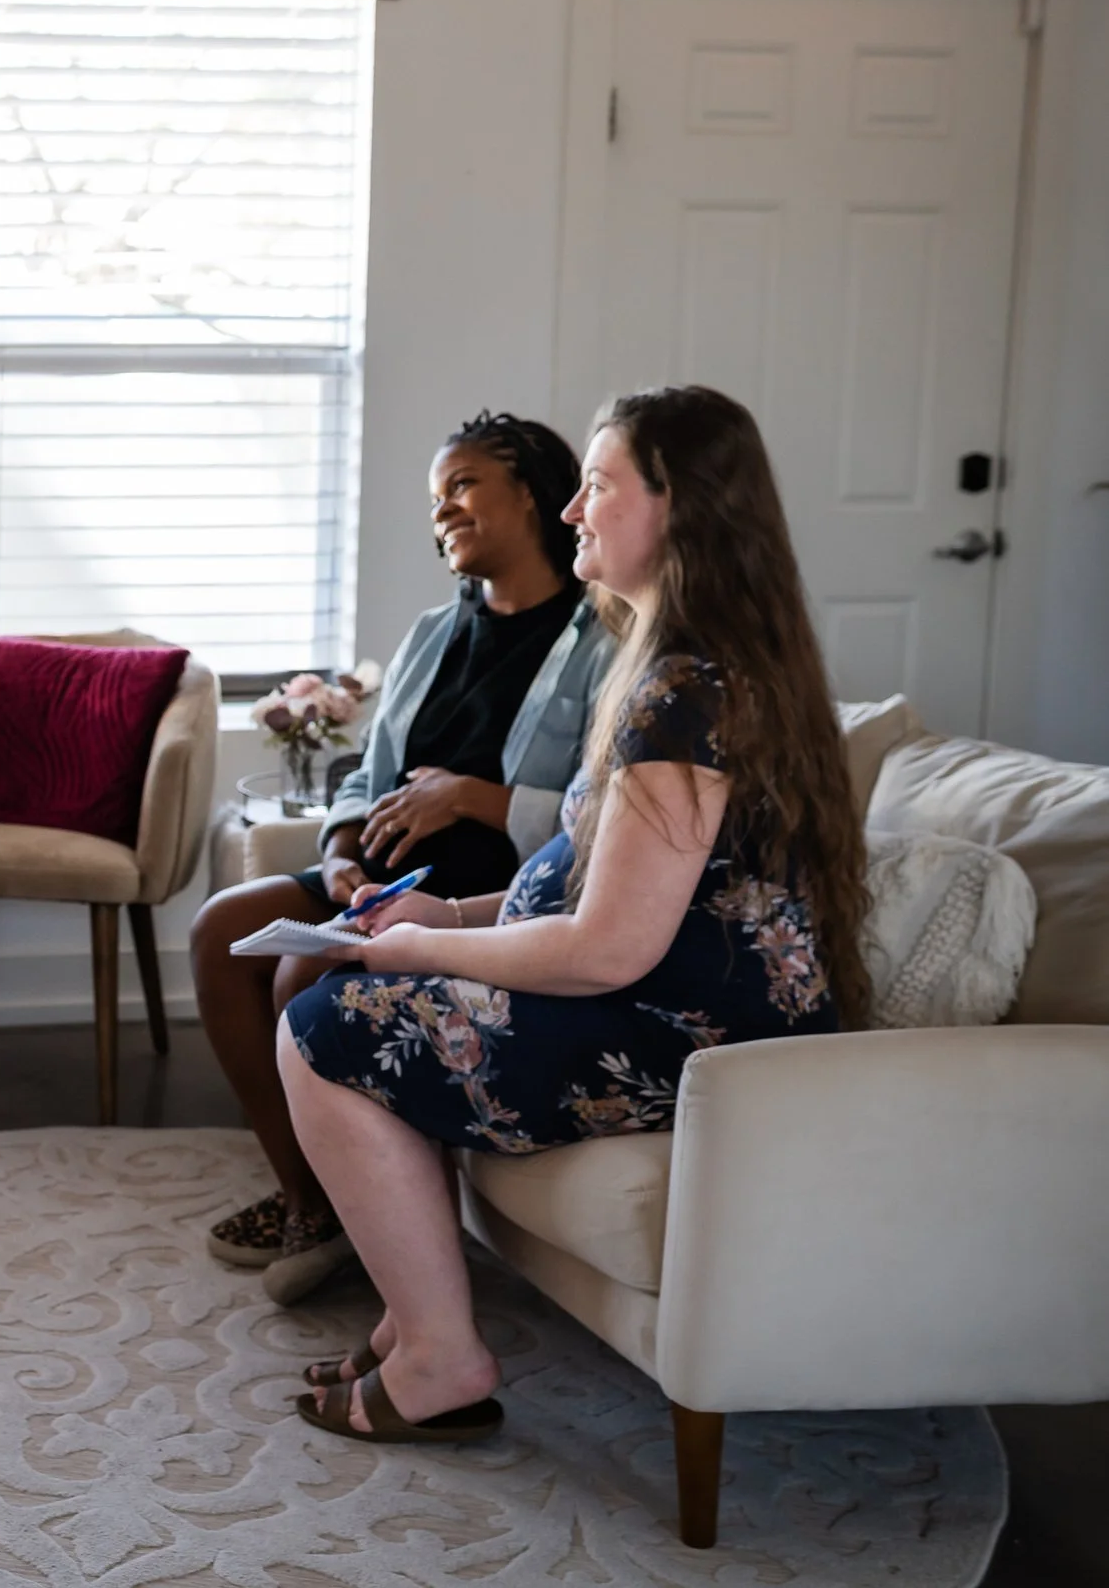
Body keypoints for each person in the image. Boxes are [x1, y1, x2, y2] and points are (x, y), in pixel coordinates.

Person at [277, 384, 869, 1445]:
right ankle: (412, 1320)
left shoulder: (683, 693)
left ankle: (440, 1360)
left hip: (689, 1037)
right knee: (355, 987)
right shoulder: (680, 668)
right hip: (670, 1006)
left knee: (324, 1030)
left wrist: (415, 946)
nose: (570, 510)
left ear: (677, 507)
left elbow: (606, 947)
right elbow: (598, 877)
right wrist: (447, 913)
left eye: (596, 485)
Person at [190, 413, 615, 1302]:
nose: (443, 511)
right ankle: (315, 1202)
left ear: (533, 492)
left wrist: (468, 797)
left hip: (491, 892)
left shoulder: (600, 640)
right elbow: (367, 772)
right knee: (224, 927)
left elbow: (601, 817)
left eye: (462, 486)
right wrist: (342, 853)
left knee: (299, 973)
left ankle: (351, 1208)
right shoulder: (431, 632)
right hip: (381, 878)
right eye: (435, 499)